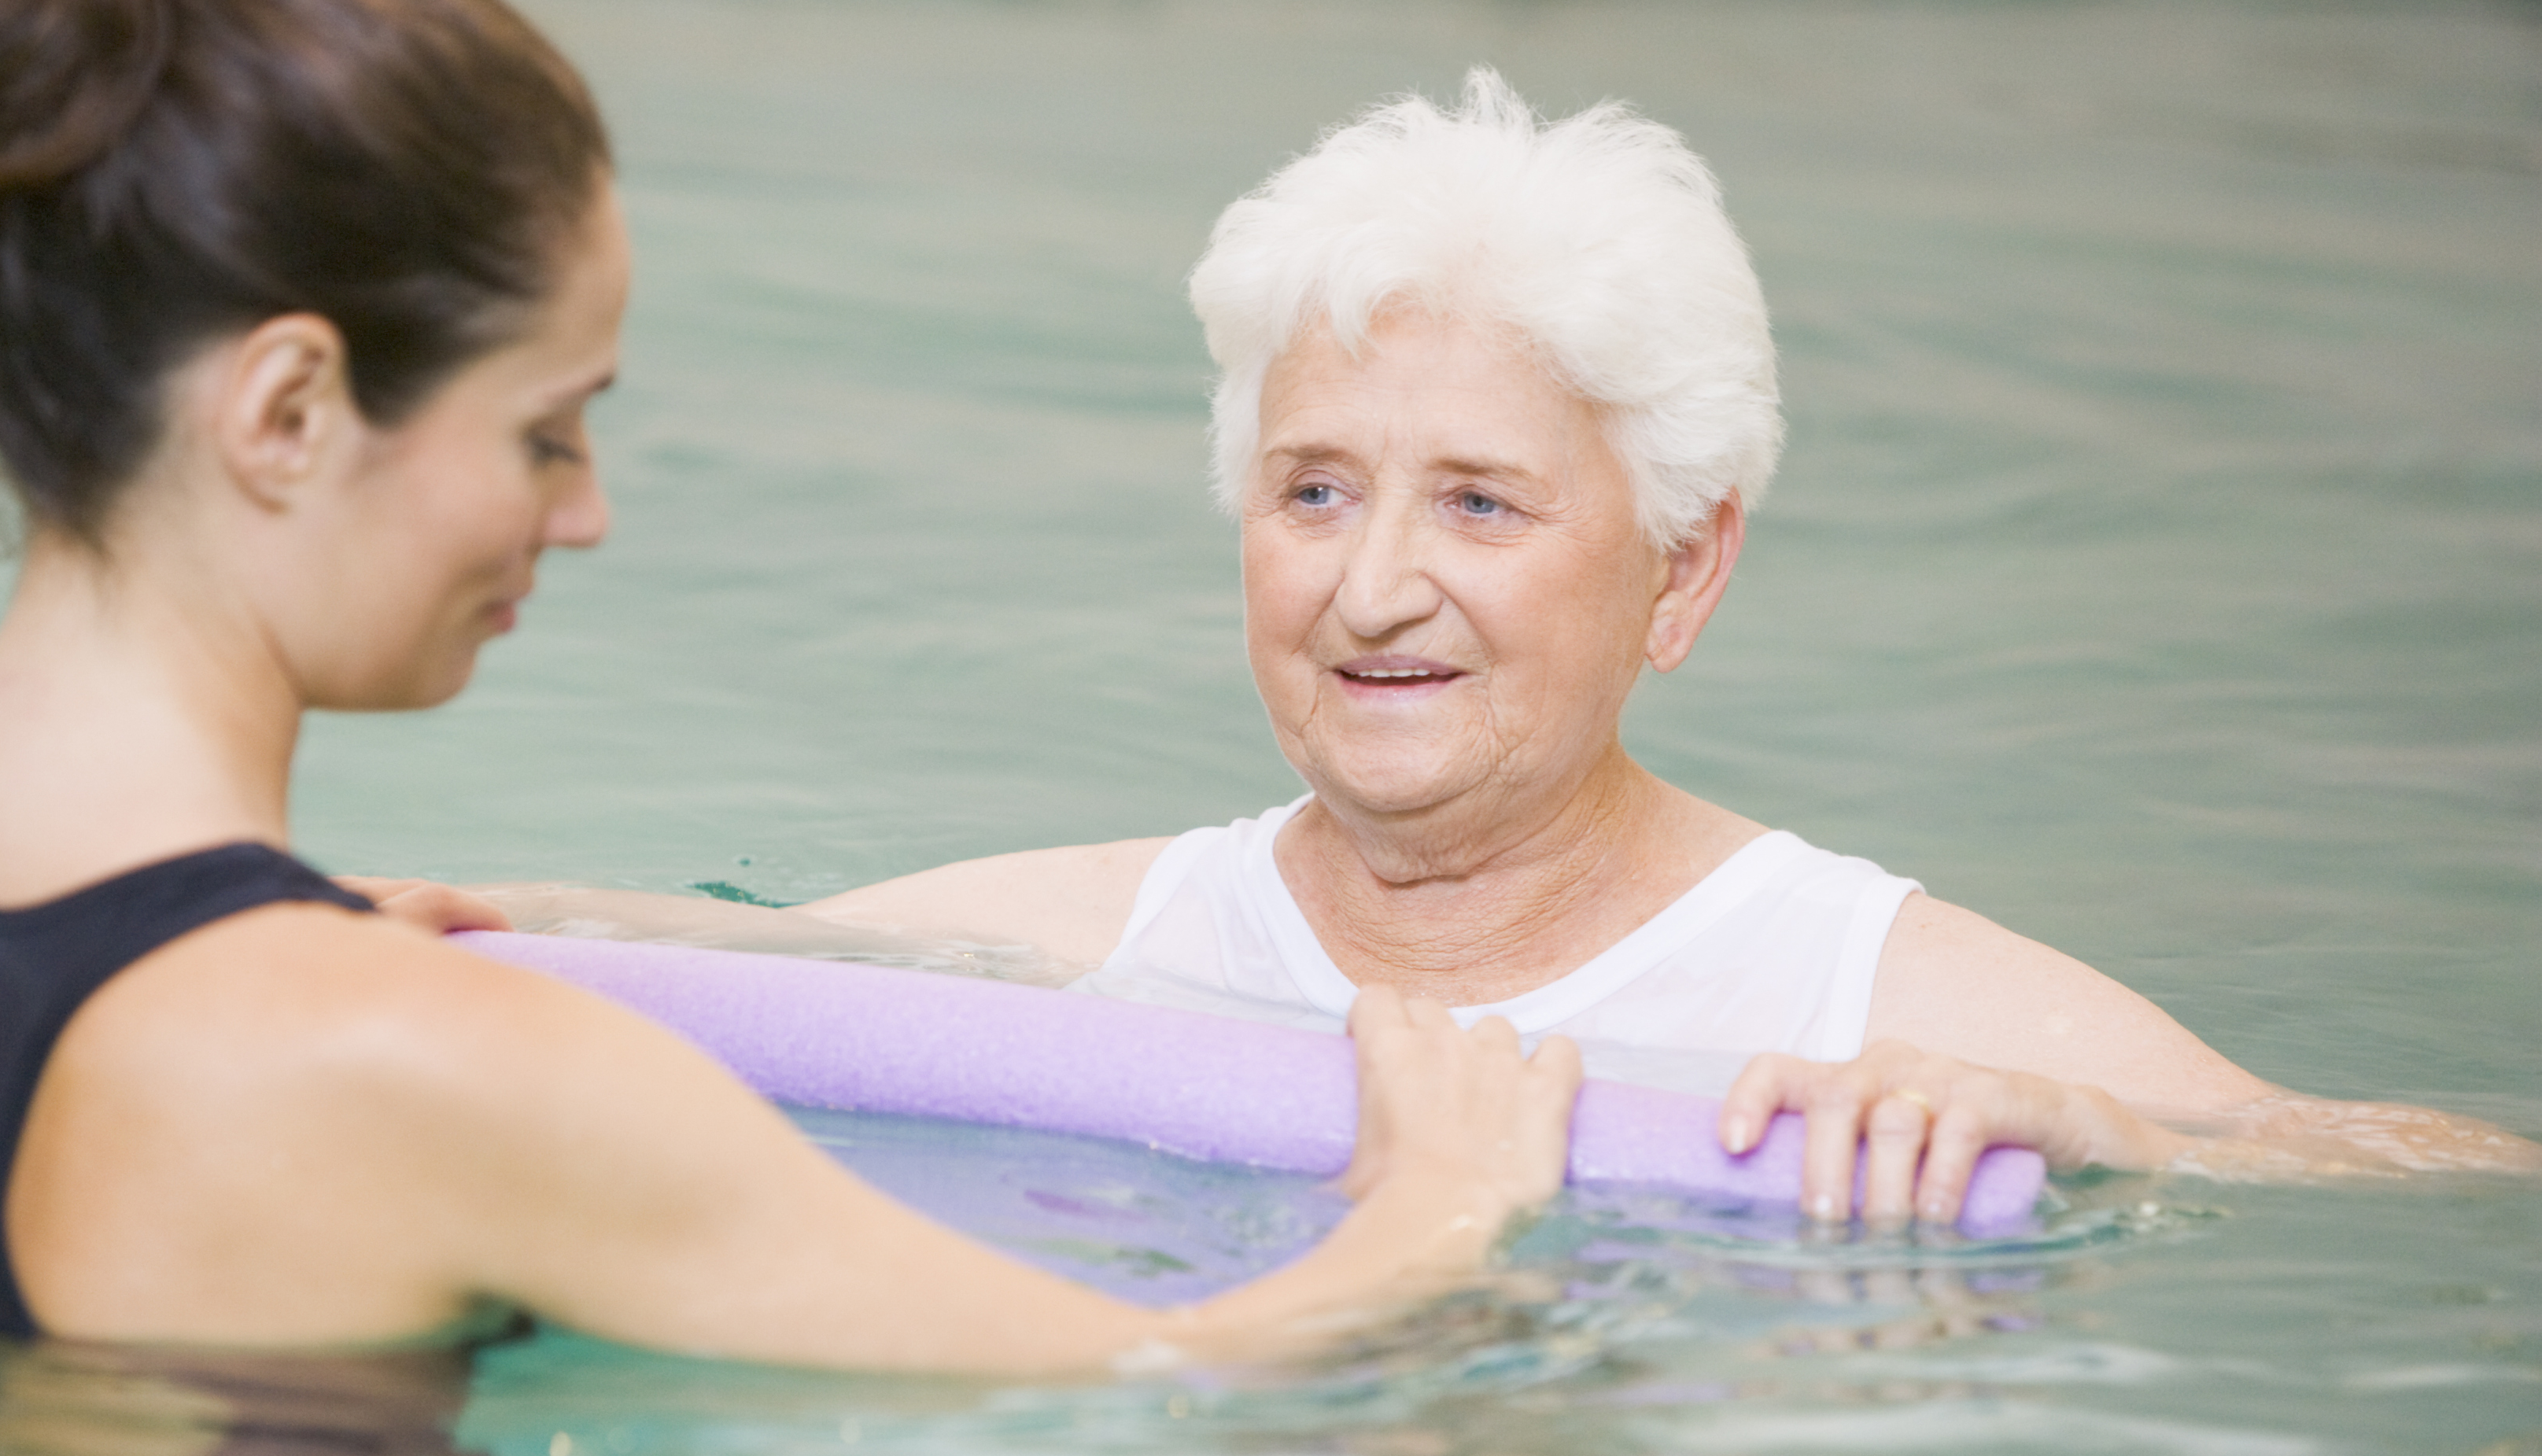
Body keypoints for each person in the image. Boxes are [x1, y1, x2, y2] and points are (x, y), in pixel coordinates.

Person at [0, 0, 1582, 1373]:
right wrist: (1435, 1211)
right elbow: (1165, 1362)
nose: (581, 517)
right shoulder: (447, 1064)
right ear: (290, 409)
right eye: (546, 429)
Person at [457, 72, 2534, 1220]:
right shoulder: (1105, 930)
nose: (1368, 588)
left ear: (1683, 572)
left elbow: (2453, 1178)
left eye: (1478, 501)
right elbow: (683, 955)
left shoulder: (1870, 992)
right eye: (1309, 490)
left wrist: (2106, 1128)